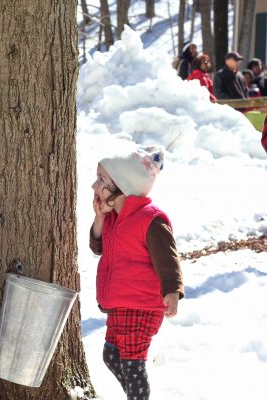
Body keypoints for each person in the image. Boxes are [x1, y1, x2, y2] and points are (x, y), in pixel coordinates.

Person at [90, 146, 184, 400]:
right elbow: (97, 246)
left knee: (132, 365)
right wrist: (99, 218)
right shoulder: (113, 219)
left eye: (101, 181)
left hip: (142, 305)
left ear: (122, 185)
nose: (94, 186)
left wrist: (172, 291)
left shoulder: (150, 219)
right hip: (120, 304)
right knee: (111, 356)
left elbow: (168, 258)